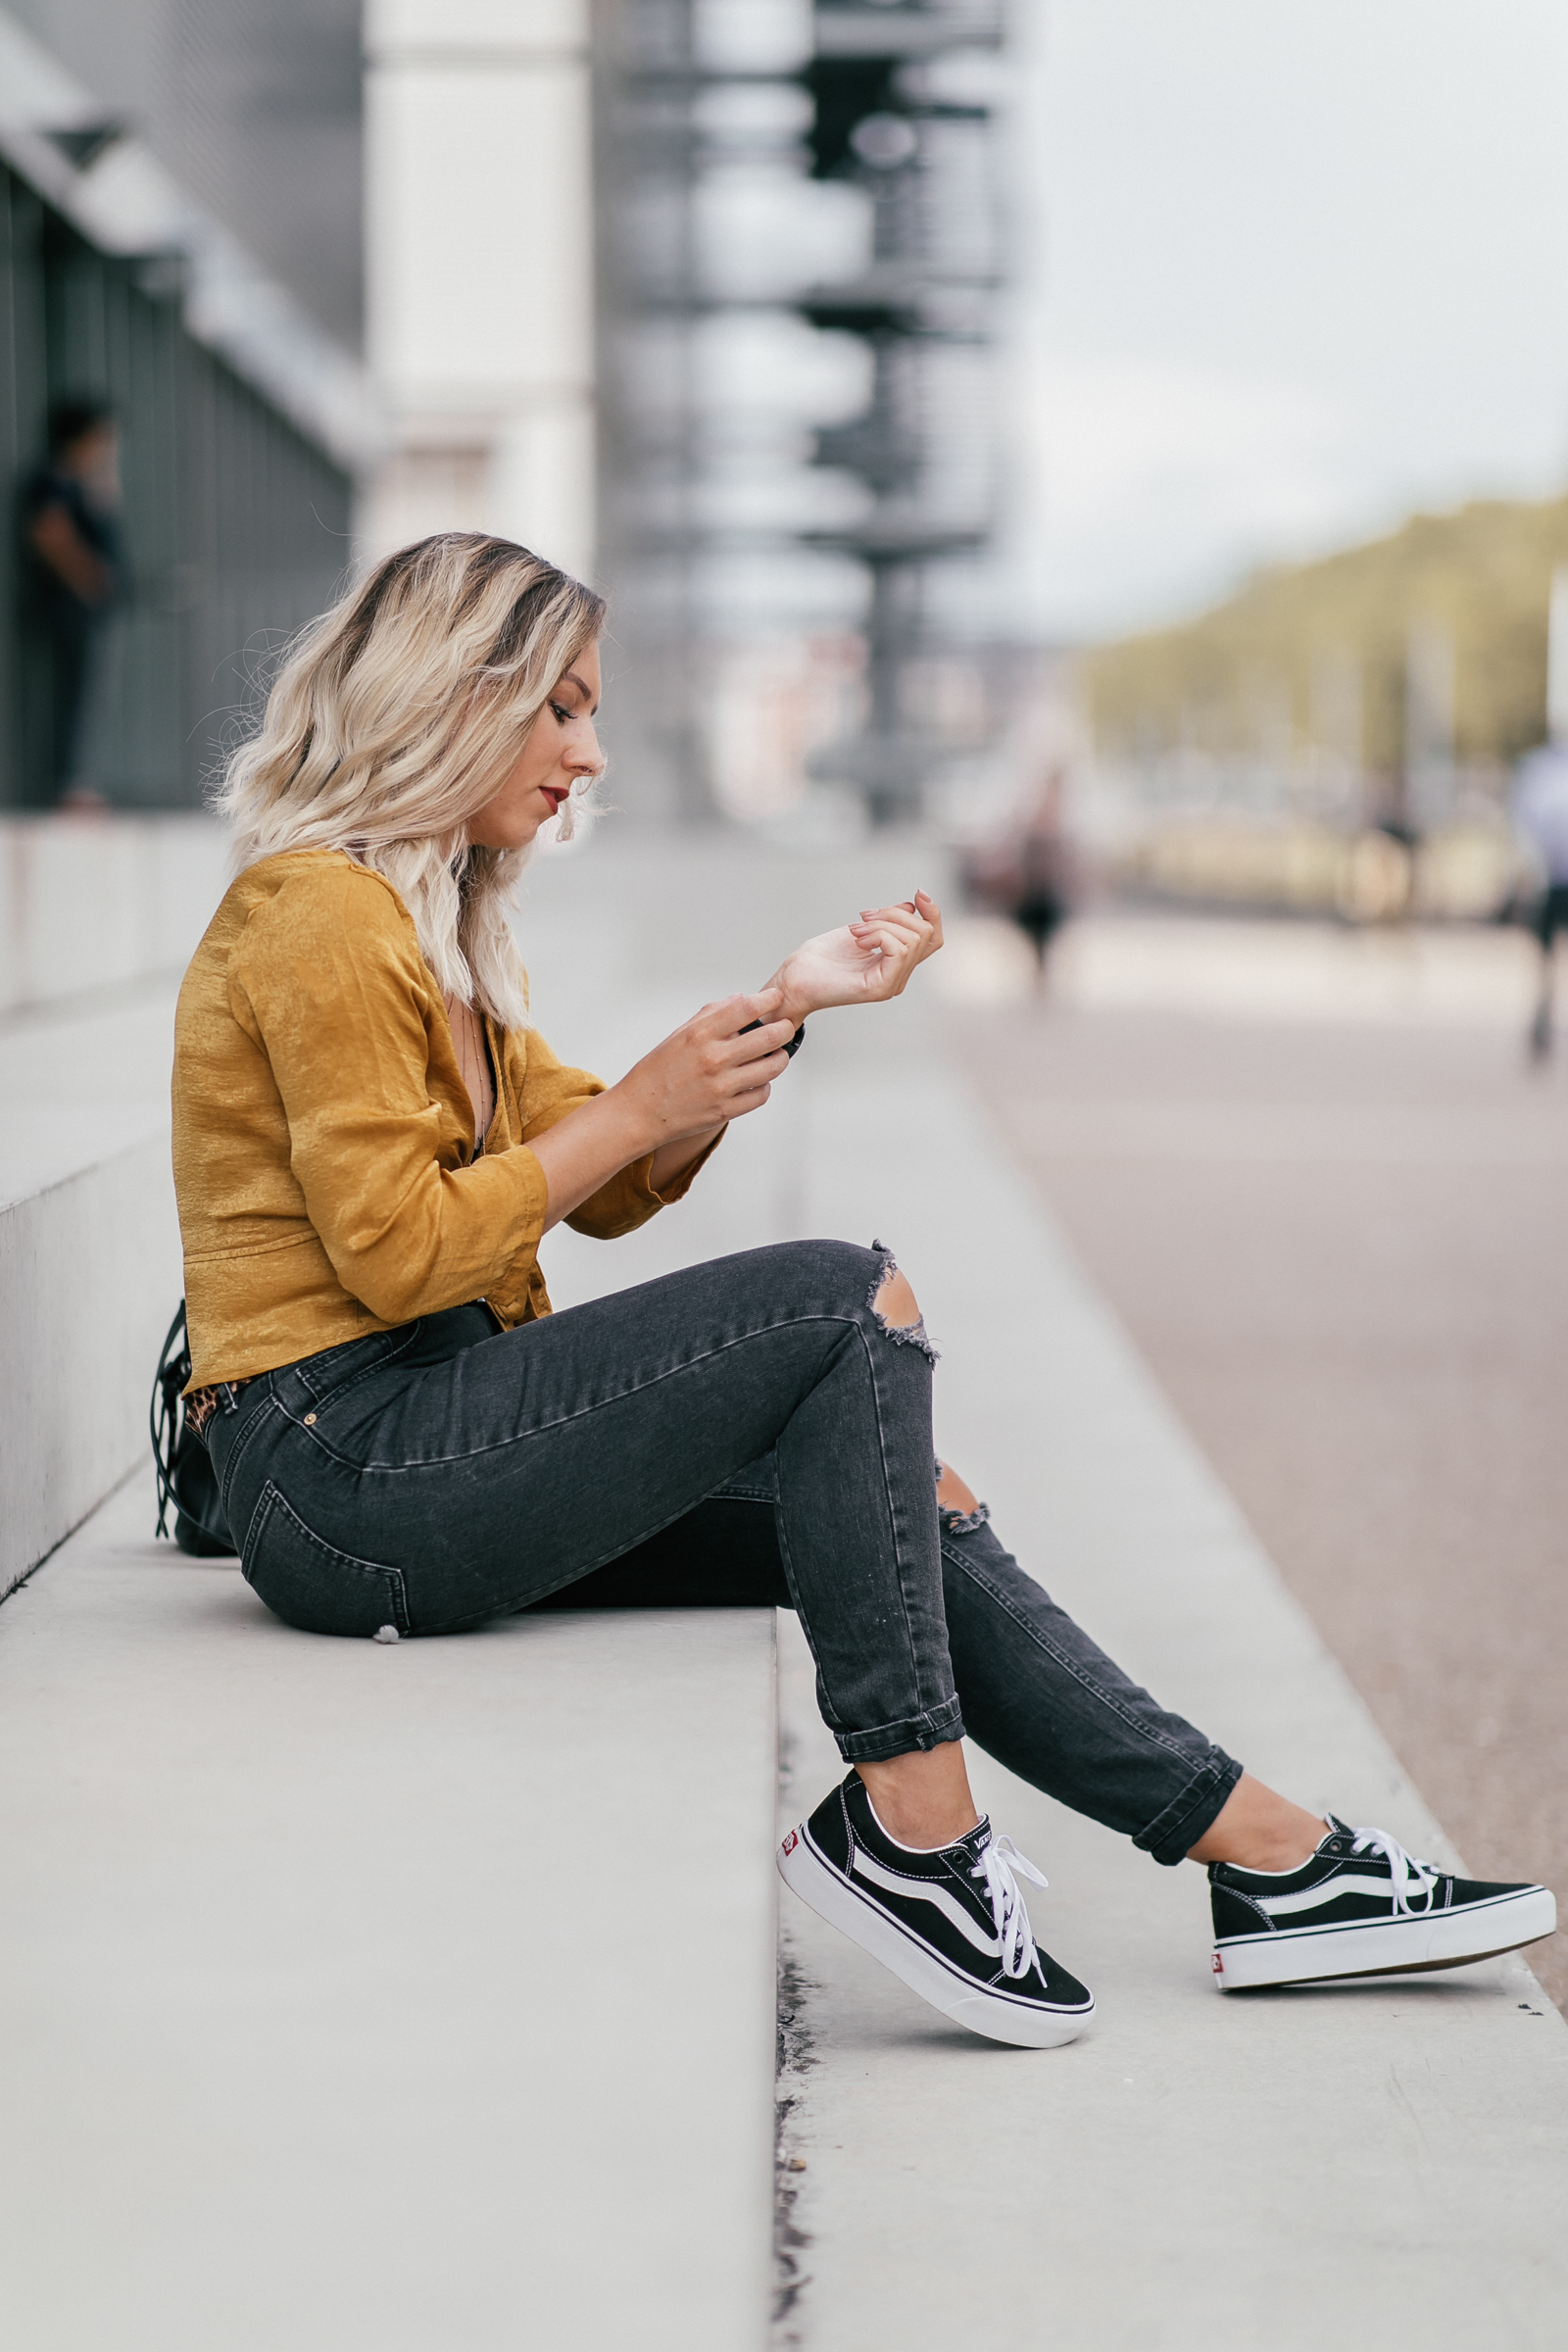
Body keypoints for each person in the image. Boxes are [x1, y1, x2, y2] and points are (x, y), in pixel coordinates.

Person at [172, 535, 1555, 2047]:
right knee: (846, 1300)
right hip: (343, 1469)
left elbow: (615, 1182)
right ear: (456, 691)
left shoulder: (434, 928)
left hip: (424, 1442)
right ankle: (915, 1838)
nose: (591, 749)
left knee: (901, 1489)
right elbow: (405, 1249)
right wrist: (635, 1107)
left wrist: (784, 1002)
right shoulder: (321, 912)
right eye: (561, 708)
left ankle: (1267, 1855)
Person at [21, 398, 121, 808]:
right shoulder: (57, 479)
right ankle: (68, 785)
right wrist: (88, 577)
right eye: (102, 438)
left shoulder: (80, 482)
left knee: (80, 695)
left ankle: (72, 782)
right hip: (69, 608)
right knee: (71, 696)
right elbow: (50, 532)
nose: (108, 448)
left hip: (79, 608)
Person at [1513, 740, 1568, 1060]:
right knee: (1544, 957)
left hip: (1548, 877)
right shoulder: (1540, 770)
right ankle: (1543, 1015)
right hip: (1549, 878)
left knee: (1544, 957)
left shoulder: (1538, 772)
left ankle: (1543, 1016)